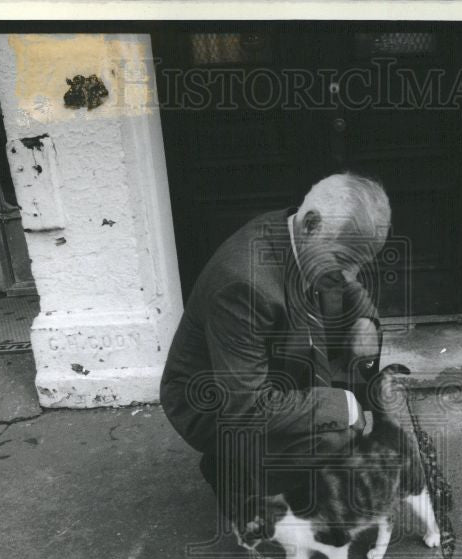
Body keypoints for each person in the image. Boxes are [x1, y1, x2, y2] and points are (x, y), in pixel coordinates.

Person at [160, 172, 390, 530]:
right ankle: (237, 475)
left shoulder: (298, 229)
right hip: (215, 404)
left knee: (360, 385)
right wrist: (345, 405)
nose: (351, 276)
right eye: (344, 260)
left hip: (270, 370)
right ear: (311, 224)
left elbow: (351, 290)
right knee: (336, 432)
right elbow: (247, 407)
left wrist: (366, 322)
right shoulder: (243, 283)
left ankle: (269, 467)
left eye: (360, 264)